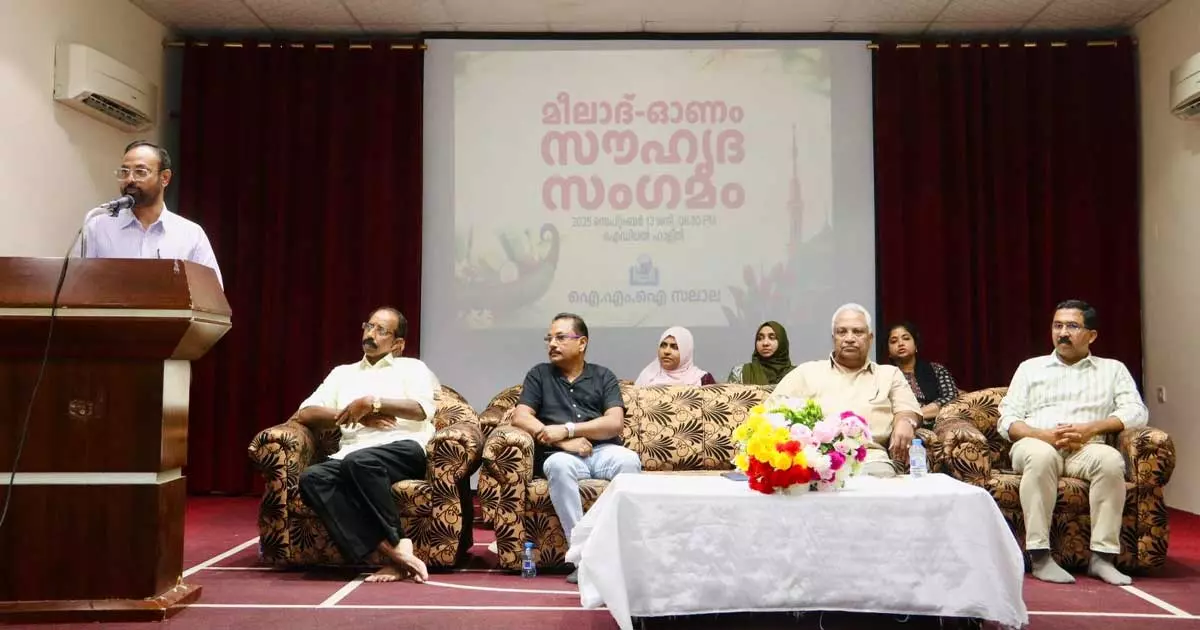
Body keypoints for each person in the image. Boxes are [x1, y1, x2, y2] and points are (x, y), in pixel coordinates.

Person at [998, 300, 1147, 586]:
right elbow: (1008, 420)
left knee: (1110, 460)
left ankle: (1102, 558)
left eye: (1072, 326)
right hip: (1036, 443)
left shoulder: (1113, 370)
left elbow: (1136, 411)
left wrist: (1091, 429)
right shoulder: (1030, 368)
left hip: (1086, 448)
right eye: (1058, 326)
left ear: (1092, 335)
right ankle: (1040, 556)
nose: (1063, 333)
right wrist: (1043, 435)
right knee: (1041, 457)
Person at [295, 307, 438, 584]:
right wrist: (354, 414)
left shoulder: (413, 368)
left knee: (360, 461)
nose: (371, 334)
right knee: (313, 477)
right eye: (369, 326)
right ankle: (396, 553)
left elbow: (421, 410)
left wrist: (373, 403)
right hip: (351, 454)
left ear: (398, 343)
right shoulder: (342, 374)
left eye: (381, 330)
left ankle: (396, 546)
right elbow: (306, 413)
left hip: (403, 448)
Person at [511, 313, 642, 583]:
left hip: (602, 452)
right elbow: (520, 416)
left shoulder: (603, 376)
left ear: (582, 343)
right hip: (562, 455)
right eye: (549, 338)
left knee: (629, 461)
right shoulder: (539, 375)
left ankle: (614, 550)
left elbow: (614, 423)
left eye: (560, 337)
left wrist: (570, 429)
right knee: (557, 466)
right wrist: (561, 441)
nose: (552, 344)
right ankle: (583, 557)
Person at [768, 303, 922, 477]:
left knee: (881, 481)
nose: (849, 338)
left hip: (870, 460)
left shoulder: (888, 374)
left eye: (858, 332)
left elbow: (907, 409)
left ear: (870, 338)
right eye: (842, 332)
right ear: (833, 337)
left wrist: (906, 422)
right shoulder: (806, 372)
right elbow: (770, 411)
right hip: (815, 461)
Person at [79, 140, 223, 288]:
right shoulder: (98, 227)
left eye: (140, 172)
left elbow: (212, 293)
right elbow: (77, 286)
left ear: (165, 178)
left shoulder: (191, 235)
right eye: (125, 172)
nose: (130, 179)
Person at [886, 322, 959, 425]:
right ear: (889, 351)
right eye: (894, 341)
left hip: (941, 421)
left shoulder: (936, 370)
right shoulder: (884, 376)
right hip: (903, 426)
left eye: (906, 338)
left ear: (916, 345)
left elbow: (951, 398)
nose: (900, 343)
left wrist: (916, 415)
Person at [635, 326, 716, 386]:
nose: (666, 351)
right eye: (663, 345)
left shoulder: (703, 380)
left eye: (674, 347)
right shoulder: (647, 377)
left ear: (686, 353)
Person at [726, 321, 795, 385]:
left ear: (782, 342)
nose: (765, 343)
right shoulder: (740, 373)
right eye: (760, 338)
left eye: (772, 338)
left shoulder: (797, 374)